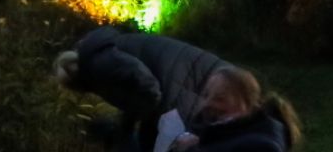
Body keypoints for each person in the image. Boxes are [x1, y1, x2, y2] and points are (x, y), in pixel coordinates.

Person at [54, 26, 230, 151]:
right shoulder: (102, 53)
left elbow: (147, 85)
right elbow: (134, 95)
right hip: (202, 77)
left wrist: (143, 115)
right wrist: (128, 125)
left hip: (193, 86)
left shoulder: (100, 64)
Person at [172, 67, 303, 152]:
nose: (207, 103)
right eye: (206, 95)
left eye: (220, 98)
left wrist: (189, 149)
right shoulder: (210, 131)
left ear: (249, 104)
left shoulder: (262, 146)